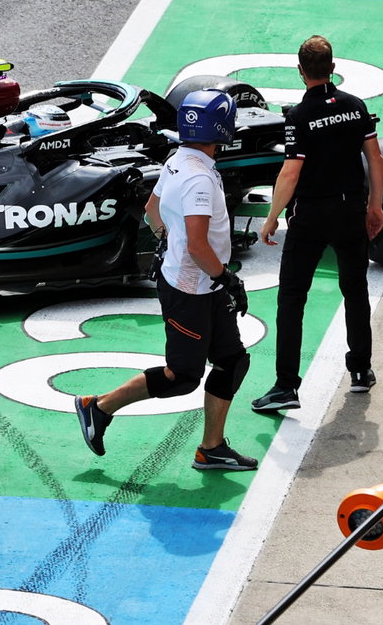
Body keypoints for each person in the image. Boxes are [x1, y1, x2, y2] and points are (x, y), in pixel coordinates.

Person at [73, 89, 256, 471]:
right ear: (221, 127)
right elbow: (197, 246)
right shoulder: (199, 180)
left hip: (201, 285)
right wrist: (228, 279)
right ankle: (99, 406)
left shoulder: (178, 160)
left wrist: (163, 243)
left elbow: (152, 209)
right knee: (182, 377)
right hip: (192, 289)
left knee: (232, 360)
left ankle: (211, 448)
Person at [250, 35, 383, 413]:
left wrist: (273, 216)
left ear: (300, 71)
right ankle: (361, 370)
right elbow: (375, 158)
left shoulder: (299, 115)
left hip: (311, 215)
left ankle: (286, 386)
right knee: (355, 289)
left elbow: (291, 172)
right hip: (350, 211)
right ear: (333, 67)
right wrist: (375, 205)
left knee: (292, 298)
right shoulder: (355, 106)